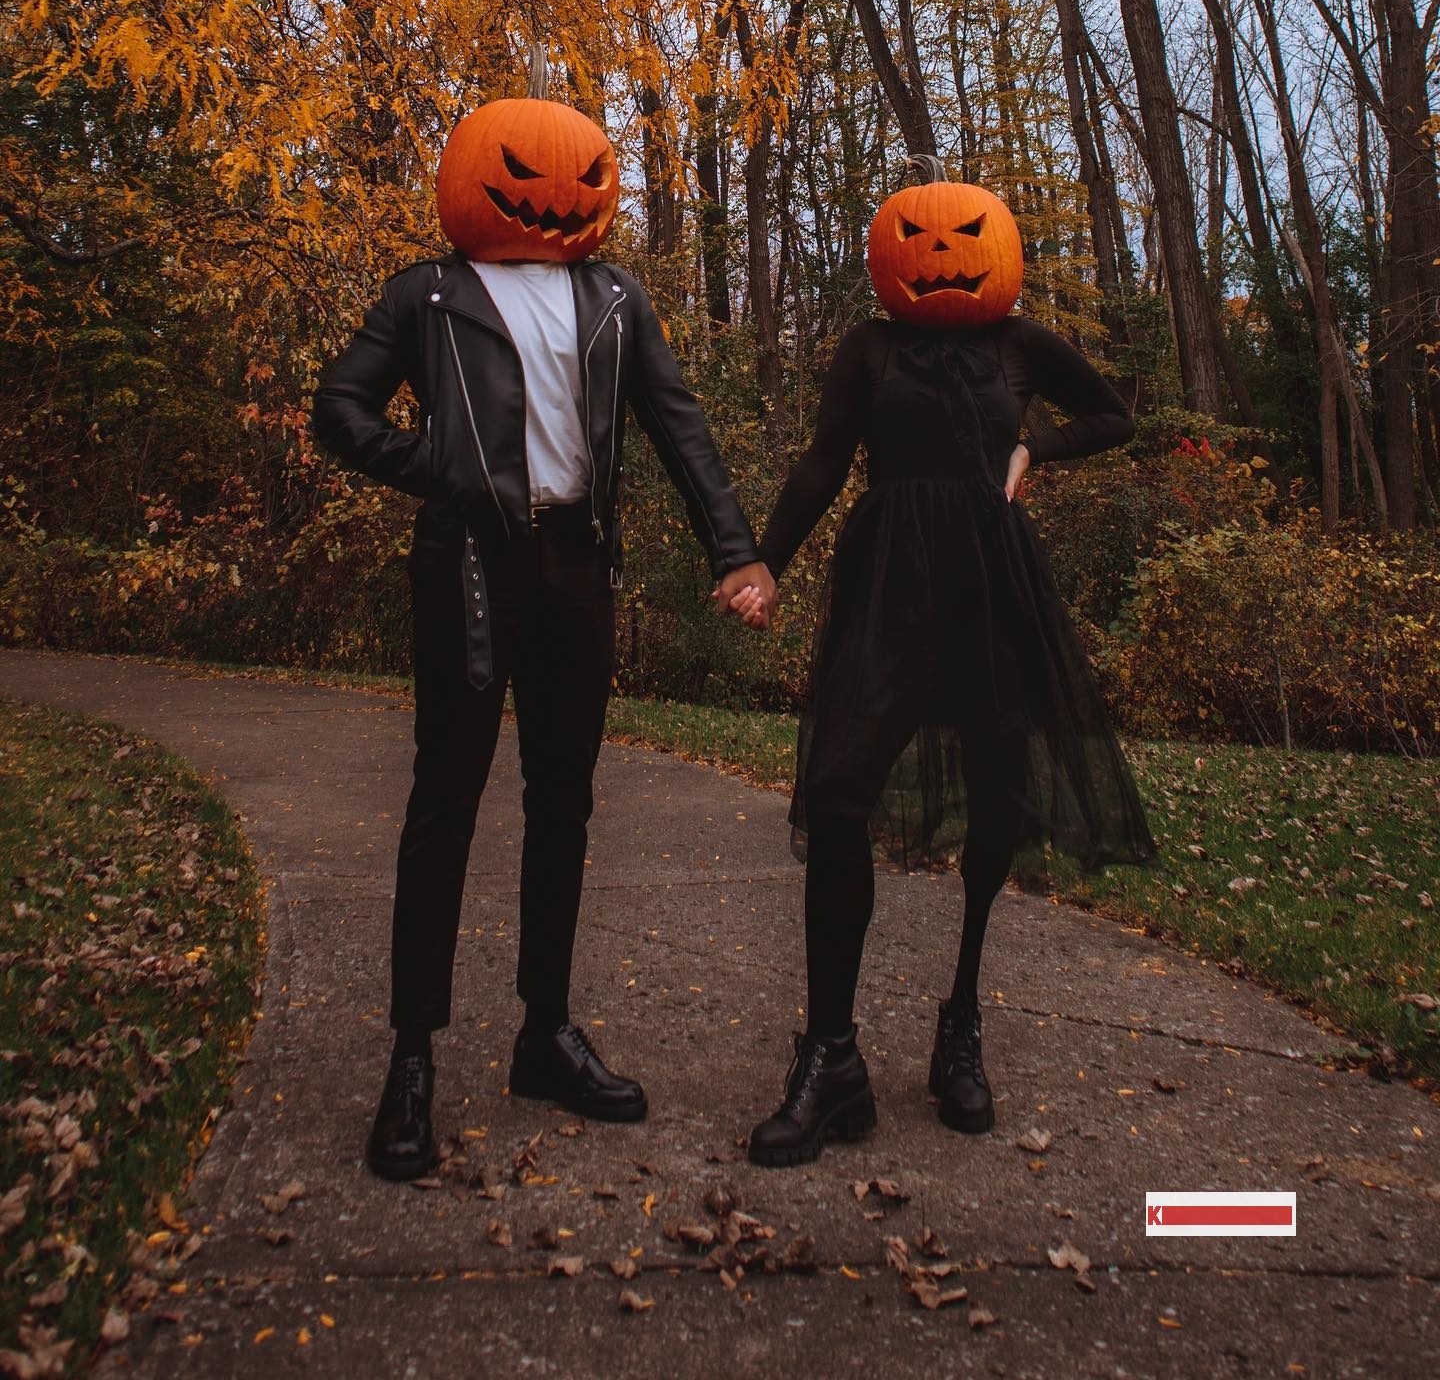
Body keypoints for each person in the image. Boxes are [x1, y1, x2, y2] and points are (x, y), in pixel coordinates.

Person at [312, 57, 774, 1180]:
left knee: (564, 801)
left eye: (583, 174)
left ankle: (545, 1033)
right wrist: (445, 468)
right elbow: (340, 410)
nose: (556, 189)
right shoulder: (426, 291)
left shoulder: (615, 296)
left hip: (579, 564)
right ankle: (412, 1056)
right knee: (446, 802)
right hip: (470, 562)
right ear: (480, 180)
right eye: (526, 172)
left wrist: (736, 549)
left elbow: (679, 426)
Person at [723, 158, 1156, 1168]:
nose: (943, 255)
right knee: (837, 796)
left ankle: (960, 1023)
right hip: (887, 587)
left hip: (993, 587)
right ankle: (831, 1058)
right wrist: (764, 563)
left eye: (965, 237)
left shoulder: (1017, 342)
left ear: (994, 249)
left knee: (1000, 794)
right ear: (892, 255)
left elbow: (1116, 416)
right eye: (924, 240)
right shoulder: (871, 348)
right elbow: (823, 462)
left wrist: (1034, 449)